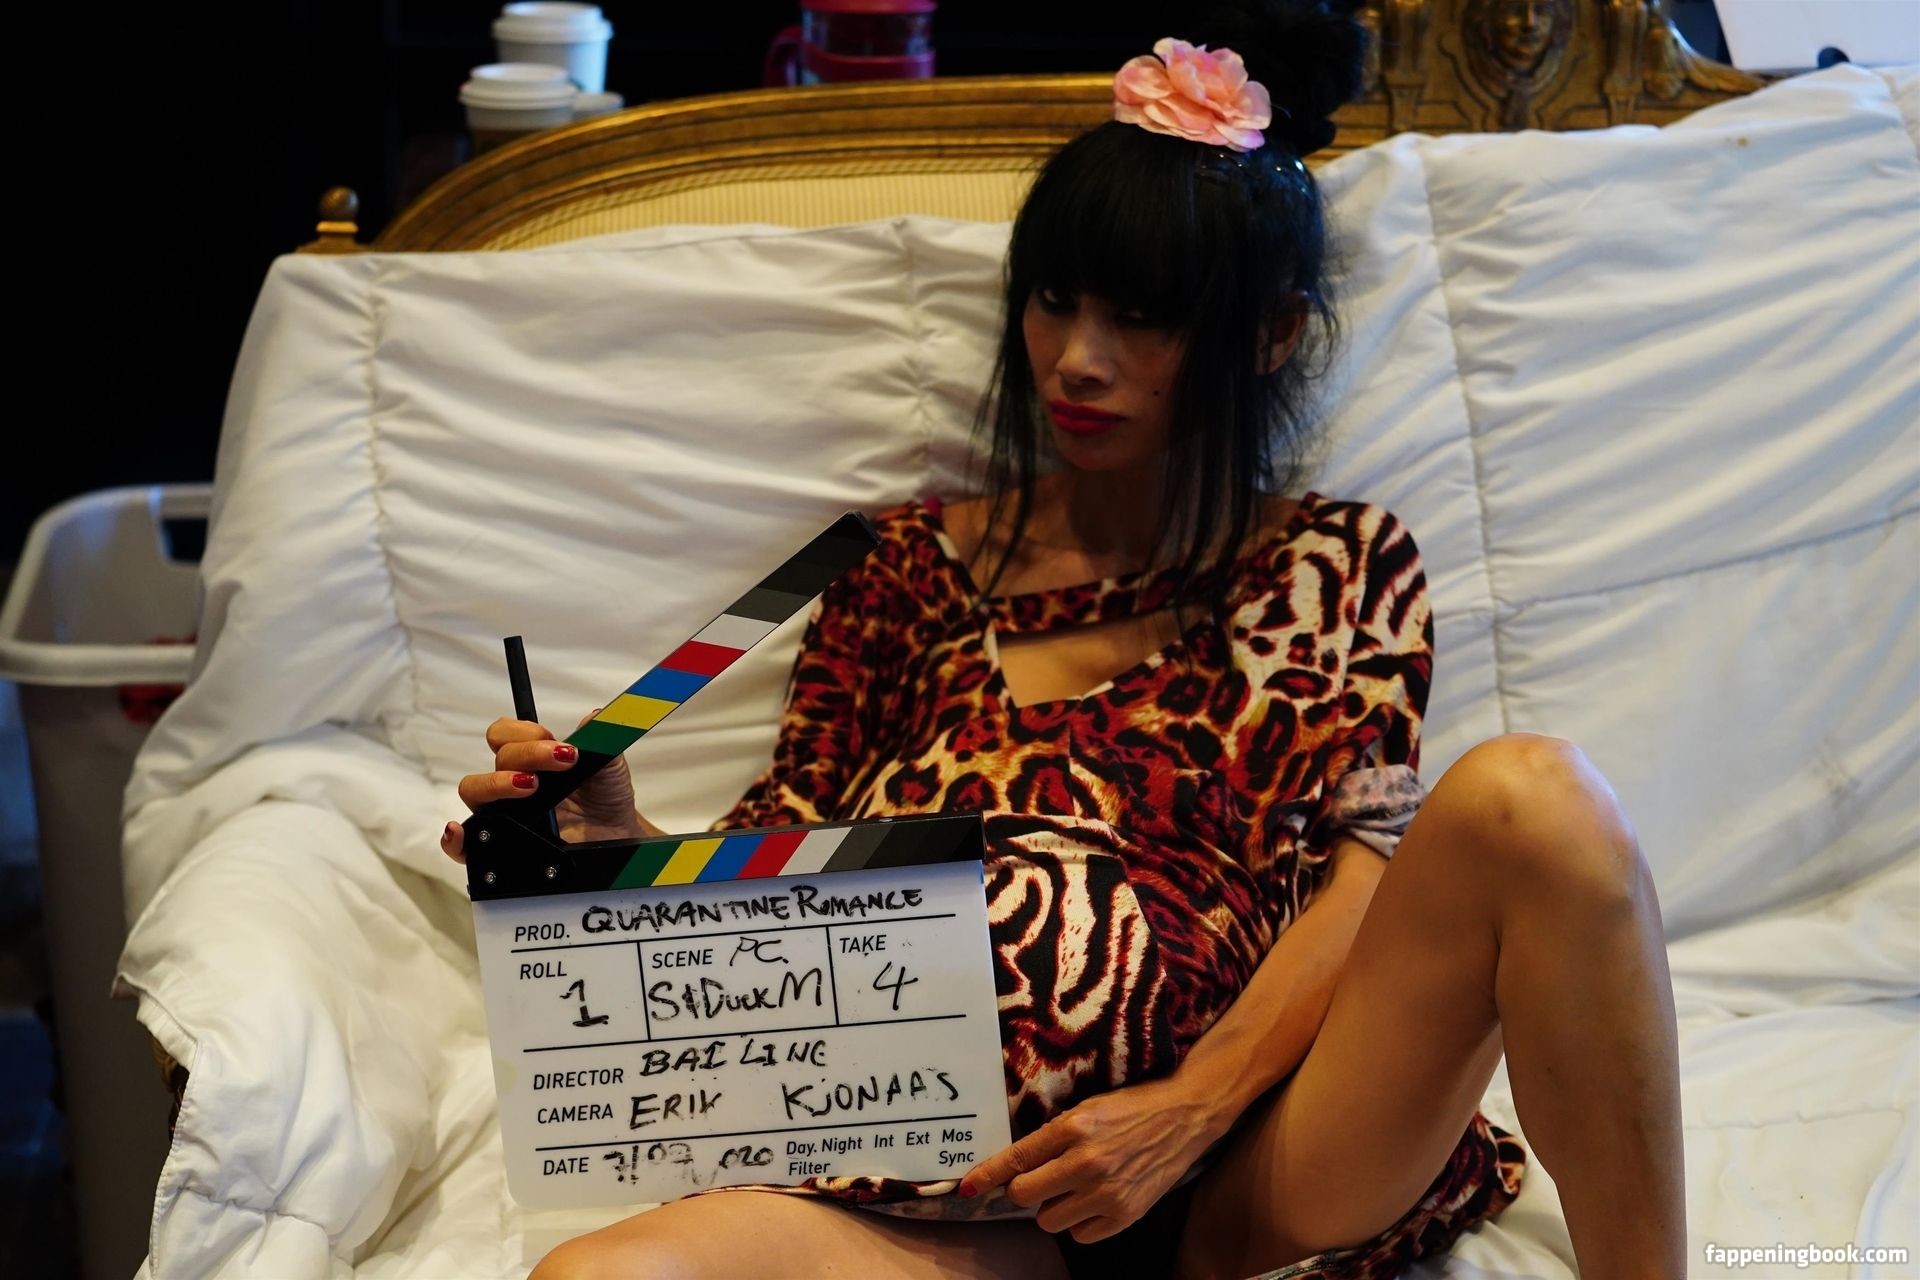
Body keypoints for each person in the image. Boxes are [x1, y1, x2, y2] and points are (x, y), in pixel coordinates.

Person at [441, 3, 1687, 1276]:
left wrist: (1184, 1108)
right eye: (1053, 300)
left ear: (1271, 334)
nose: (1078, 360)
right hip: (952, 1199)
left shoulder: (1337, 563)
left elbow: (1362, 881)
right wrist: (619, 845)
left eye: (1143, 316)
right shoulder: (898, 568)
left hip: (1250, 1158)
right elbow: (786, 885)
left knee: (1539, 798)